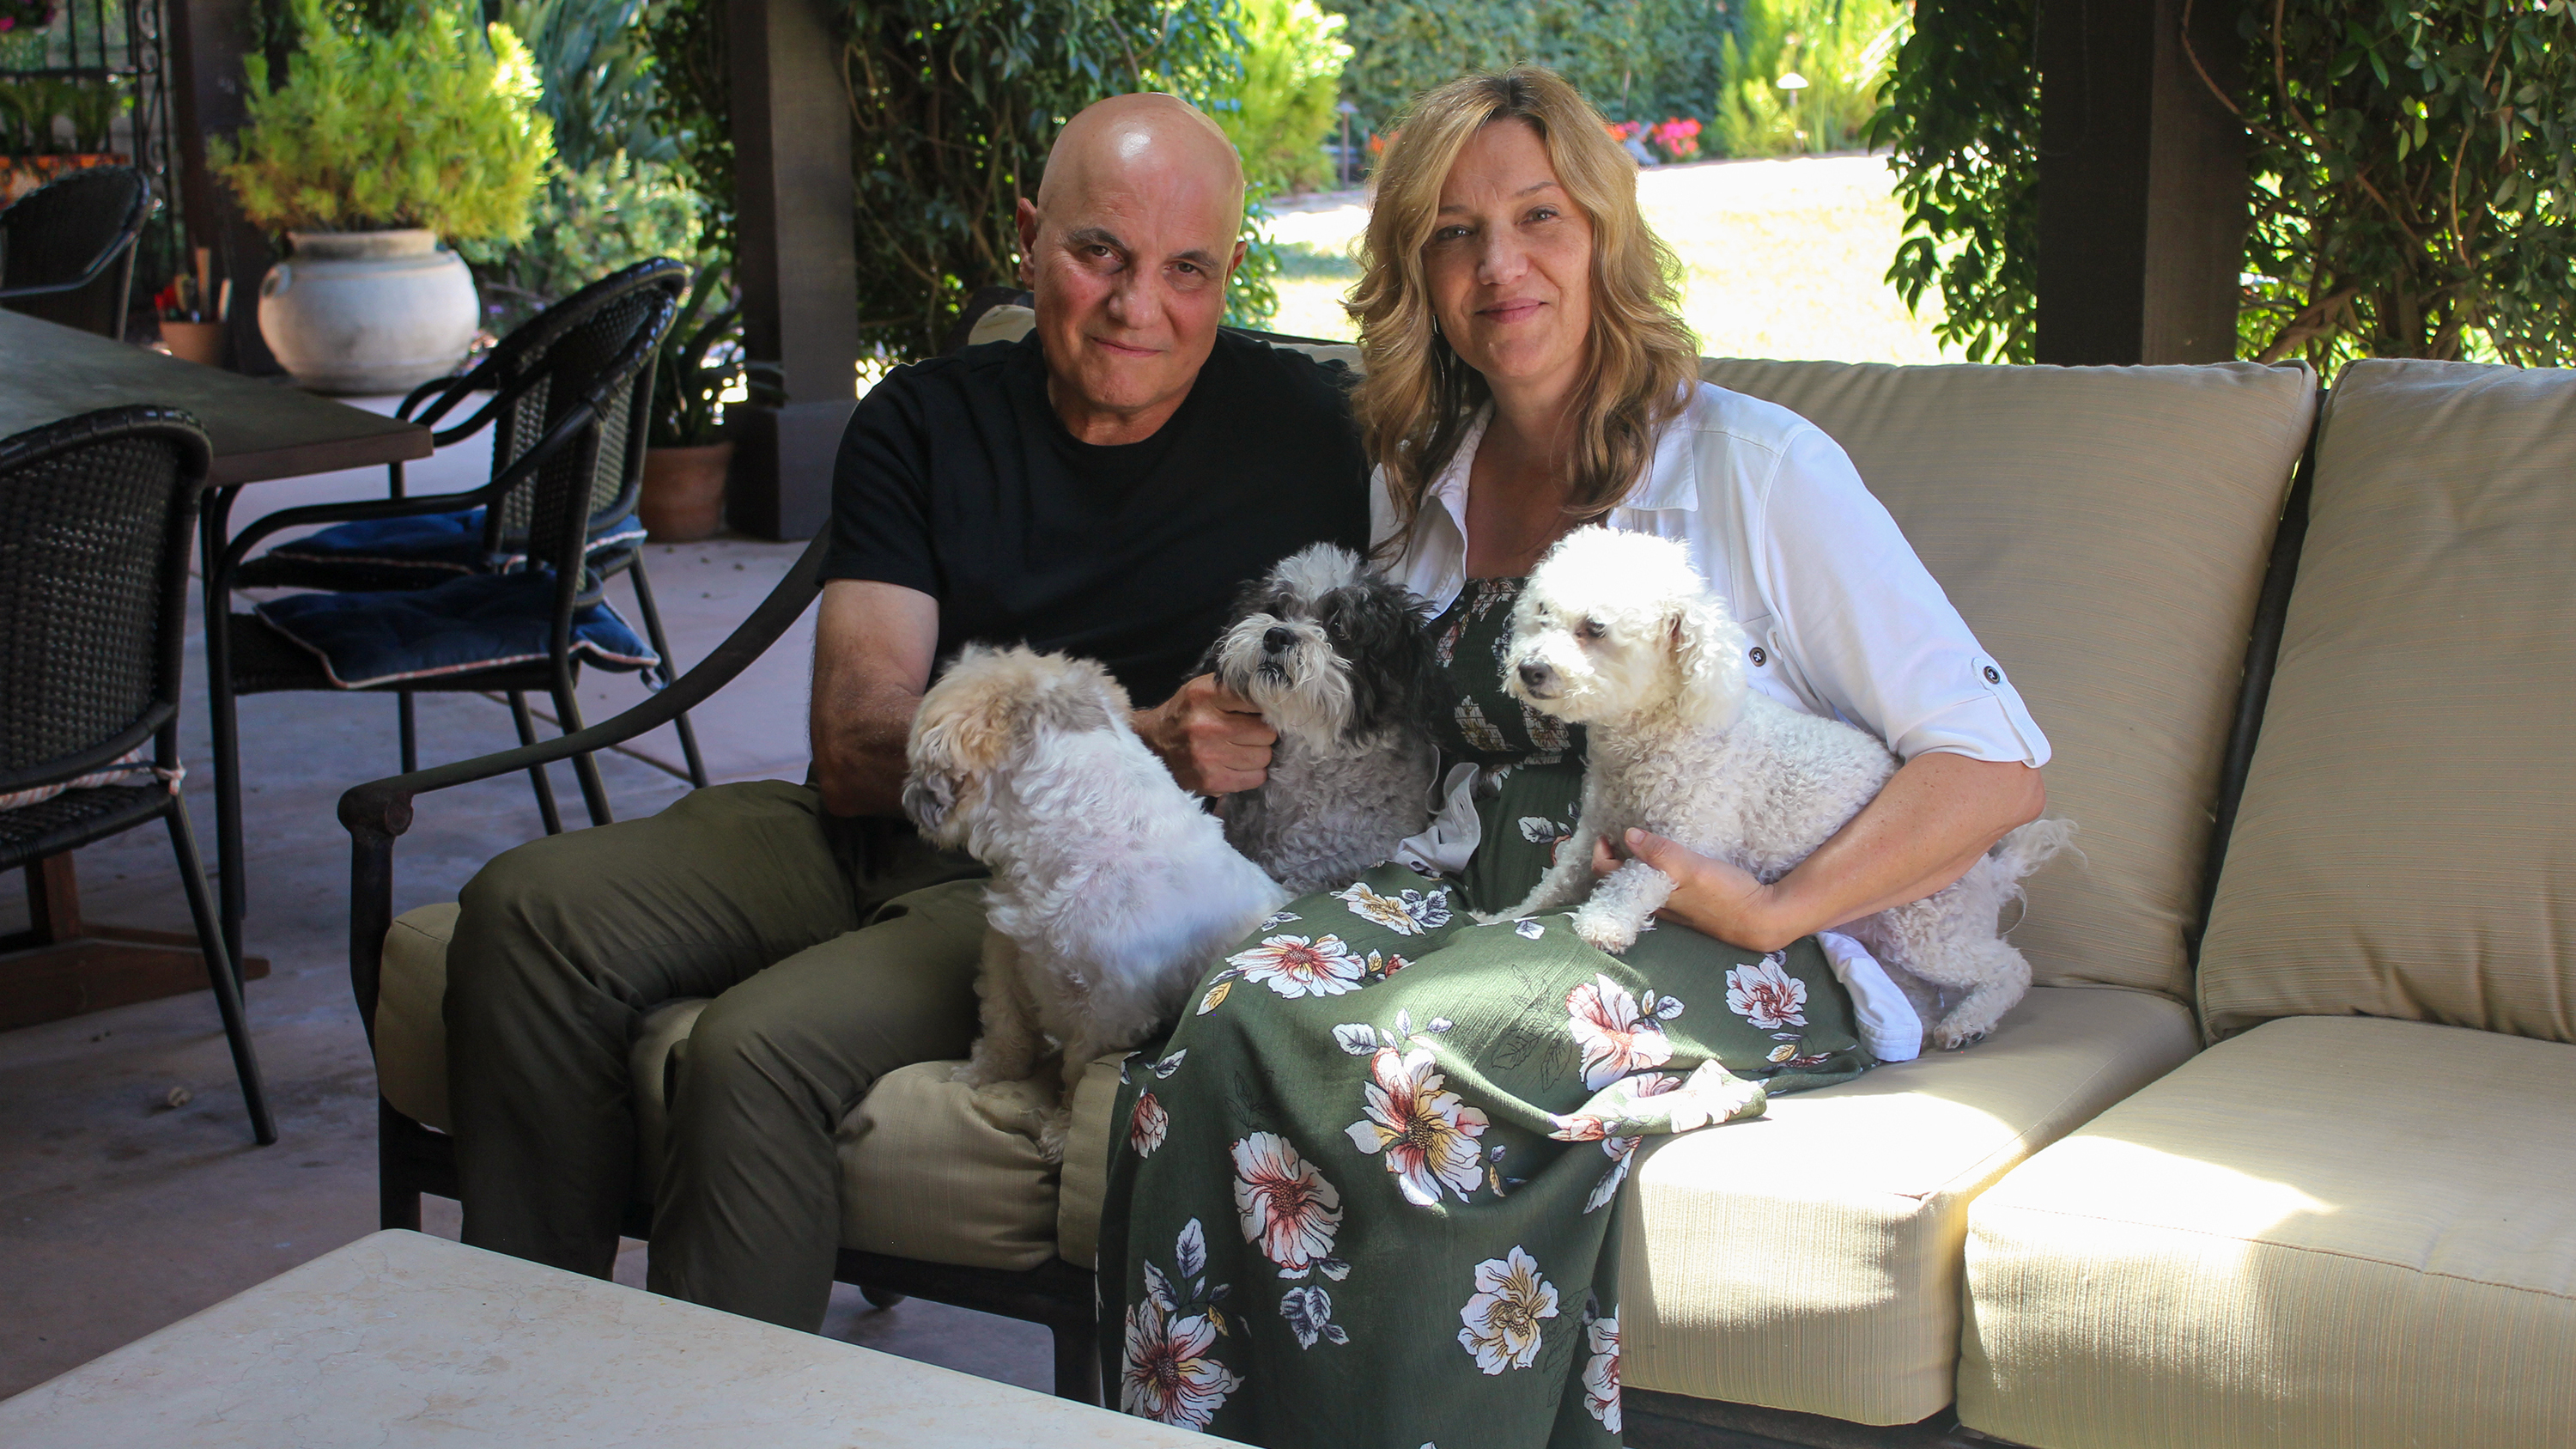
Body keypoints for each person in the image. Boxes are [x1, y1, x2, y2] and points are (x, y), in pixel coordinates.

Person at [1097, 68, 2050, 1447]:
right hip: (1486, 882)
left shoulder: (1758, 473)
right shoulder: (1418, 486)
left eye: (1539, 216)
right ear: (1413, 270)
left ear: (1604, 232)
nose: (1500, 265)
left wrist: (1772, 905)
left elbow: (1998, 767)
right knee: (1229, 1020)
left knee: (1412, 1064)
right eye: (1453, 231)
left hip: (1717, 918)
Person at [440, 93, 1370, 1333]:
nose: (1138, 306)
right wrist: (1139, 737)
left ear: (1228, 270)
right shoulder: (927, 419)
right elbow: (860, 747)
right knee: (524, 909)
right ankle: (534, 1362)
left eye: (1186, 270)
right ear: (1030, 234)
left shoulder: (1310, 433)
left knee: (750, 1050)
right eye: (1099, 252)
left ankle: (705, 1416)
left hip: (1043, 890)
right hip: (867, 822)